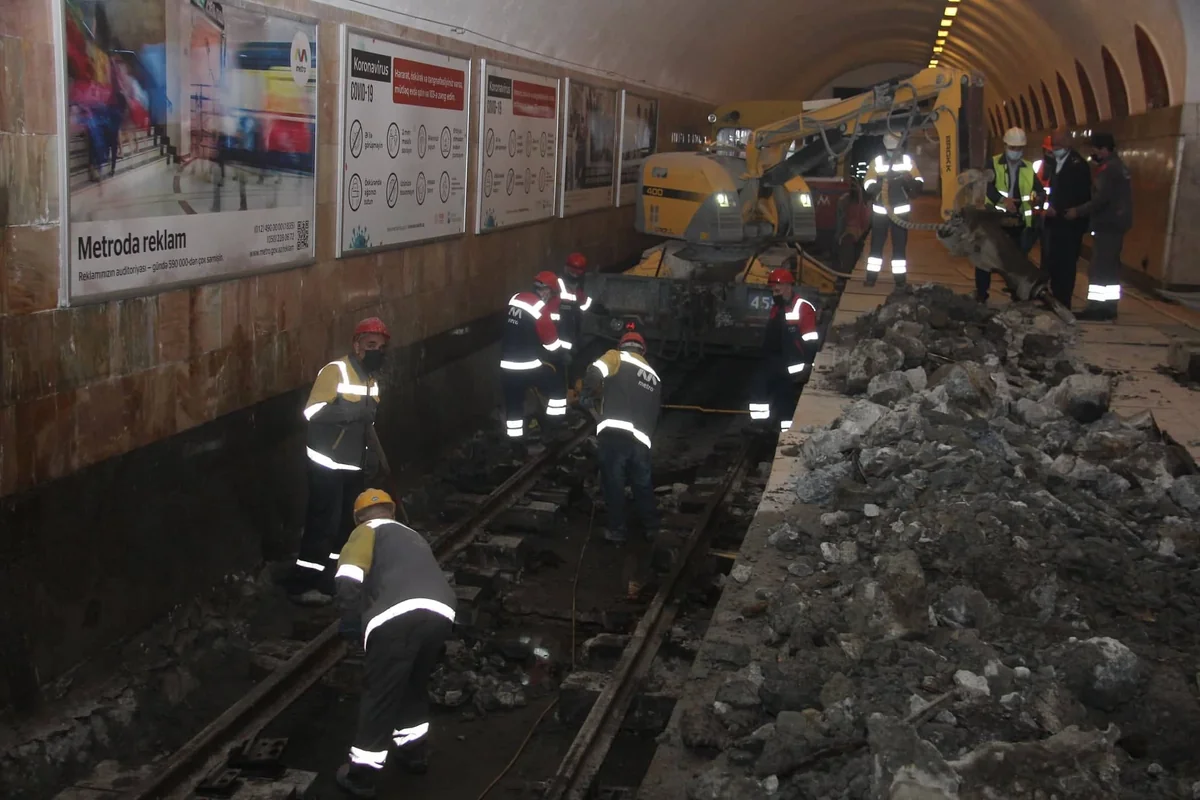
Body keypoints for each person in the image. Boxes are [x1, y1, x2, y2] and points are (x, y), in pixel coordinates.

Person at [333, 489, 456, 798]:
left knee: (380, 695)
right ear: (392, 511)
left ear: (358, 517)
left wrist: (350, 621)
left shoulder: (366, 531)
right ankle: (413, 753)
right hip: (441, 613)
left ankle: (362, 775)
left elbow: (349, 576)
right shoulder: (412, 536)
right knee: (413, 684)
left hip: (397, 618)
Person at [289, 317, 390, 606]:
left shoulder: (371, 381)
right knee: (323, 520)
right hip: (327, 461)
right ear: (357, 346)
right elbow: (312, 412)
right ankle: (304, 579)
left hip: (353, 463)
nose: (376, 351)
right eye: (371, 344)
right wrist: (351, 413)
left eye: (381, 347)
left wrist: (370, 456)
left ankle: (332, 575)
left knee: (347, 522)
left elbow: (369, 425)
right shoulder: (336, 371)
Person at [582, 331, 662, 544]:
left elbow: (595, 371)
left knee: (614, 483)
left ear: (622, 346)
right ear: (642, 351)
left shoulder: (616, 357)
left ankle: (617, 530)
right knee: (642, 484)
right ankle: (652, 528)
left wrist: (586, 393)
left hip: (616, 435)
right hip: (642, 441)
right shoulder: (654, 377)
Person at [1061, 131, 1132, 321]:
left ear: (1103, 149)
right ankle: (1109, 306)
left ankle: (1096, 308)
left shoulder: (1109, 170)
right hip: (1114, 224)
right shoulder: (1118, 167)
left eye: (1094, 149)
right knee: (1110, 268)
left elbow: (1100, 200)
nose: (1092, 153)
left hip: (1107, 225)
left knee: (1099, 269)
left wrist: (1077, 211)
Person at [748, 267, 819, 432]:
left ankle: (784, 431)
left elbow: (810, 338)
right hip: (774, 359)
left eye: (777, 289)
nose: (774, 293)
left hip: (792, 364)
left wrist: (808, 364)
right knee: (759, 388)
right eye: (773, 290)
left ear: (788, 286)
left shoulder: (802, 307)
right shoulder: (777, 307)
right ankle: (760, 425)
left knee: (784, 397)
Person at [500, 271, 567, 445]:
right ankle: (554, 426)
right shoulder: (539, 308)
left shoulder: (515, 298)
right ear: (546, 291)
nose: (550, 297)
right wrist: (563, 355)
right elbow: (551, 344)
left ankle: (515, 444)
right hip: (528, 367)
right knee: (557, 386)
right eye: (551, 294)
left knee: (514, 405)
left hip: (506, 367)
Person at [981, 127, 1039, 301]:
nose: (1016, 151)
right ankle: (981, 294)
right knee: (986, 258)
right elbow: (986, 186)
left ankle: (1017, 295)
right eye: (1013, 148)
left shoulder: (1028, 167)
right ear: (1005, 146)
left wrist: (1038, 198)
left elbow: (1038, 190)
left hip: (1017, 221)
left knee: (1016, 261)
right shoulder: (993, 164)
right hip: (995, 218)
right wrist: (1003, 201)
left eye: (1019, 148)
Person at [862, 133, 924, 287]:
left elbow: (918, 181)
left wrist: (909, 182)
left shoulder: (906, 161)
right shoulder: (878, 162)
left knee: (898, 247)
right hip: (881, 211)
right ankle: (873, 278)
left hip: (899, 213)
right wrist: (879, 186)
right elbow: (867, 183)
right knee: (878, 246)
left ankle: (897, 280)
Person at [1039, 128, 1093, 308]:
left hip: (1070, 223)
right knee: (1053, 261)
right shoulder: (1056, 163)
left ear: (1068, 143)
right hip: (1055, 222)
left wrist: (1060, 210)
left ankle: (1063, 301)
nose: (1055, 148)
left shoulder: (1078, 165)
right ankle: (1054, 298)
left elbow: (1080, 195)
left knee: (1066, 264)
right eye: (1054, 144)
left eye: (1059, 144)